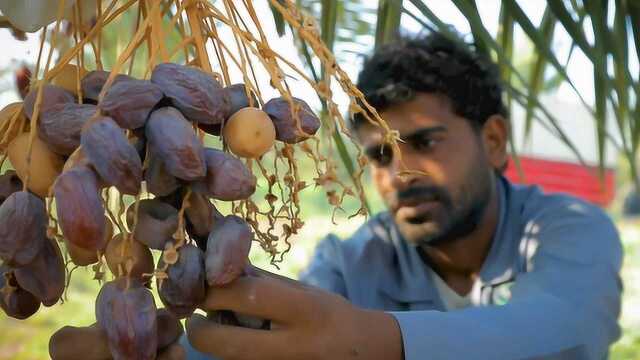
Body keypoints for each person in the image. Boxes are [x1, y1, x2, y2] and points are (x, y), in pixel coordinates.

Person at [183, 32, 623, 360]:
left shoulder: (570, 228)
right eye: (380, 154)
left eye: (425, 143)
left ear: (493, 140)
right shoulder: (350, 263)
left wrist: (368, 337)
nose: (400, 174)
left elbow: (570, 328)